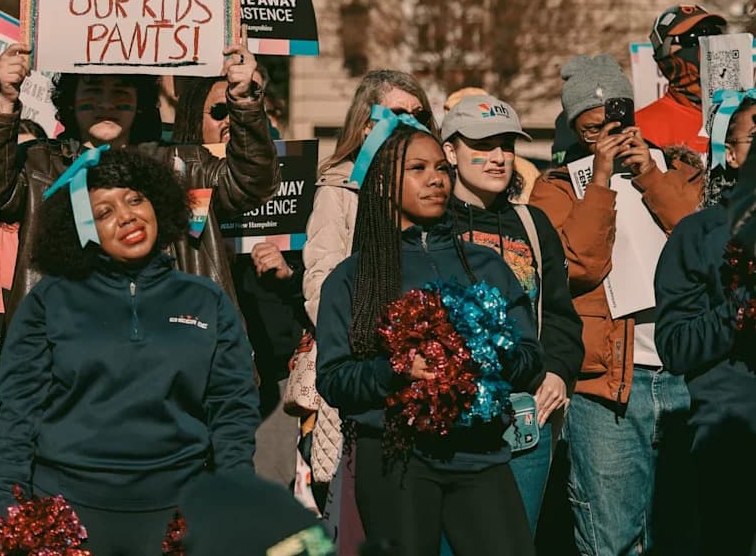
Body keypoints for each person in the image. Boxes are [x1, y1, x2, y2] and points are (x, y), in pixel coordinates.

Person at [0, 147, 260, 556]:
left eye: (135, 199)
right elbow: (18, 411)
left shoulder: (207, 299)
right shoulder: (49, 300)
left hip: (180, 512)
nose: (127, 216)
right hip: (67, 512)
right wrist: (10, 504)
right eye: (104, 212)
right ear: (81, 228)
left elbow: (233, 408)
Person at [314, 122, 541, 556]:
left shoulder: (486, 265)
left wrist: (492, 354)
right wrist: (398, 369)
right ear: (384, 183)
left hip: (480, 452)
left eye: (441, 168)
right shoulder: (353, 277)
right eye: (417, 169)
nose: (435, 179)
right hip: (395, 458)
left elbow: (531, 357)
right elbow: (335, 379)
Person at [530, 55, 702, 556]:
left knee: (683, 534)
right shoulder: (557, 187)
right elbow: (577, 266)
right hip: (607, 387)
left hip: (681, 375)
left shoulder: (679, 170)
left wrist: (648, 172)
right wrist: (600, 179)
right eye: (591, 130)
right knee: (613, 535)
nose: (607, 136)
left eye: (616, 123)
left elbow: (700, 241)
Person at [0, 42, 278, 317]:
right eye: (93, 89)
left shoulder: (183, 165)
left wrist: (244, 100)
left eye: (120, 91)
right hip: (67, 345)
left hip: (166, 341)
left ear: (139, 102)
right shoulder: (38, 166)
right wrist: (6, 102)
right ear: (71, 100)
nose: (107, 103)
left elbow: (252, 182)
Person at [440, 93, 582, 535]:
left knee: (515, 540)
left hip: (525, 419)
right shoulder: (430, 223)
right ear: (450, 152)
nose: (499, 157)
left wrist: (557, 372)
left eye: (506, 145)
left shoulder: (533, 224)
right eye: (482, 146)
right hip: (449, 423)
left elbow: (560, 313)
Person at [301, 70, 434, 518]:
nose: (409, 123)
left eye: (418, 115)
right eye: (396, 114)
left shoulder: (434, 186)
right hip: (364, 367)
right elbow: (321, 281)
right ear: (366, 125)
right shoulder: (340, 188)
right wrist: (372, 345)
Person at [173, 73, 304, 487]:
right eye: (218, 111)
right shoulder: (171, 178)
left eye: (243, 106)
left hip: (269, 375)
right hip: (191, 376)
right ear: (192, 118)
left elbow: (315, 286)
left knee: (260, 502)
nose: (230, 119)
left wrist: (288, 274)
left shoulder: (288, 176)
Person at [654, 92, 756, 556]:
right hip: (732, 431)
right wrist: (741, 307)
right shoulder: (698, 234)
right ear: (731, 155)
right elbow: (675, 346)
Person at [636, 4, 727, 156]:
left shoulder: (745, 117)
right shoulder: (639, 128)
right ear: (663, 53)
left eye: (714, 35)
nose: (707, 45)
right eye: (692, 38)